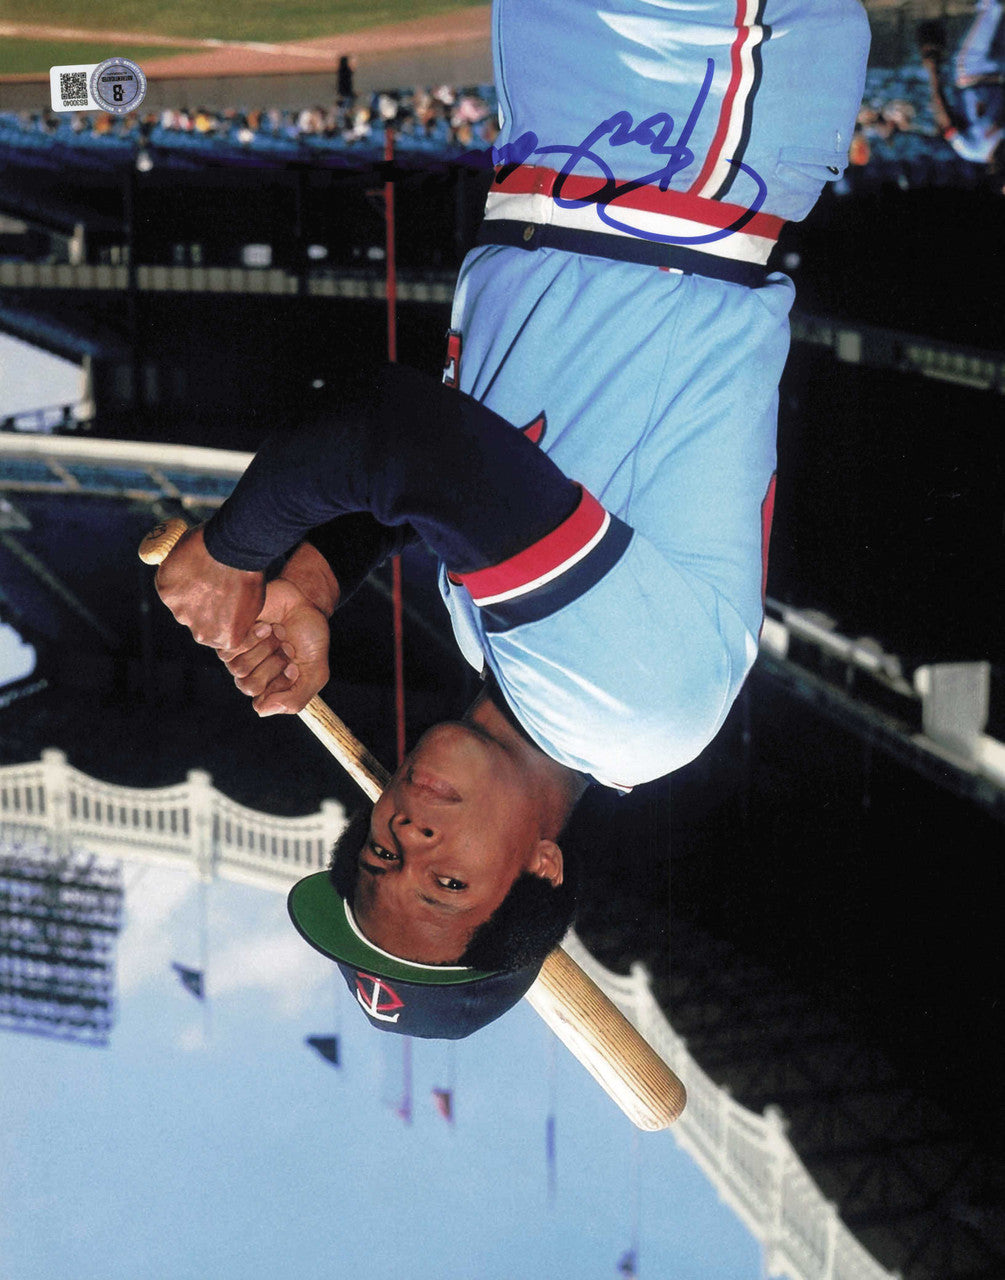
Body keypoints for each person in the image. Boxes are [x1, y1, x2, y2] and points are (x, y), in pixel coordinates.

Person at [155, 0, 870, 1028]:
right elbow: (407, 442)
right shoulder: (631, 711)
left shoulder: (506, 658)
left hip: (591, 127)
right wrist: (237, 549)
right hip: (689, 105)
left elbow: (464, 459)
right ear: (541, 866)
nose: (411, 834)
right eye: (447, 884)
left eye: (382, 854)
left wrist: (312, 577)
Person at [919, 1, 1004, 174]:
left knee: (991, 8)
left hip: (971, 70)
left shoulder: (972, 150)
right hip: (1000, 73)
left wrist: (933, 72)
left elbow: (943, 116)